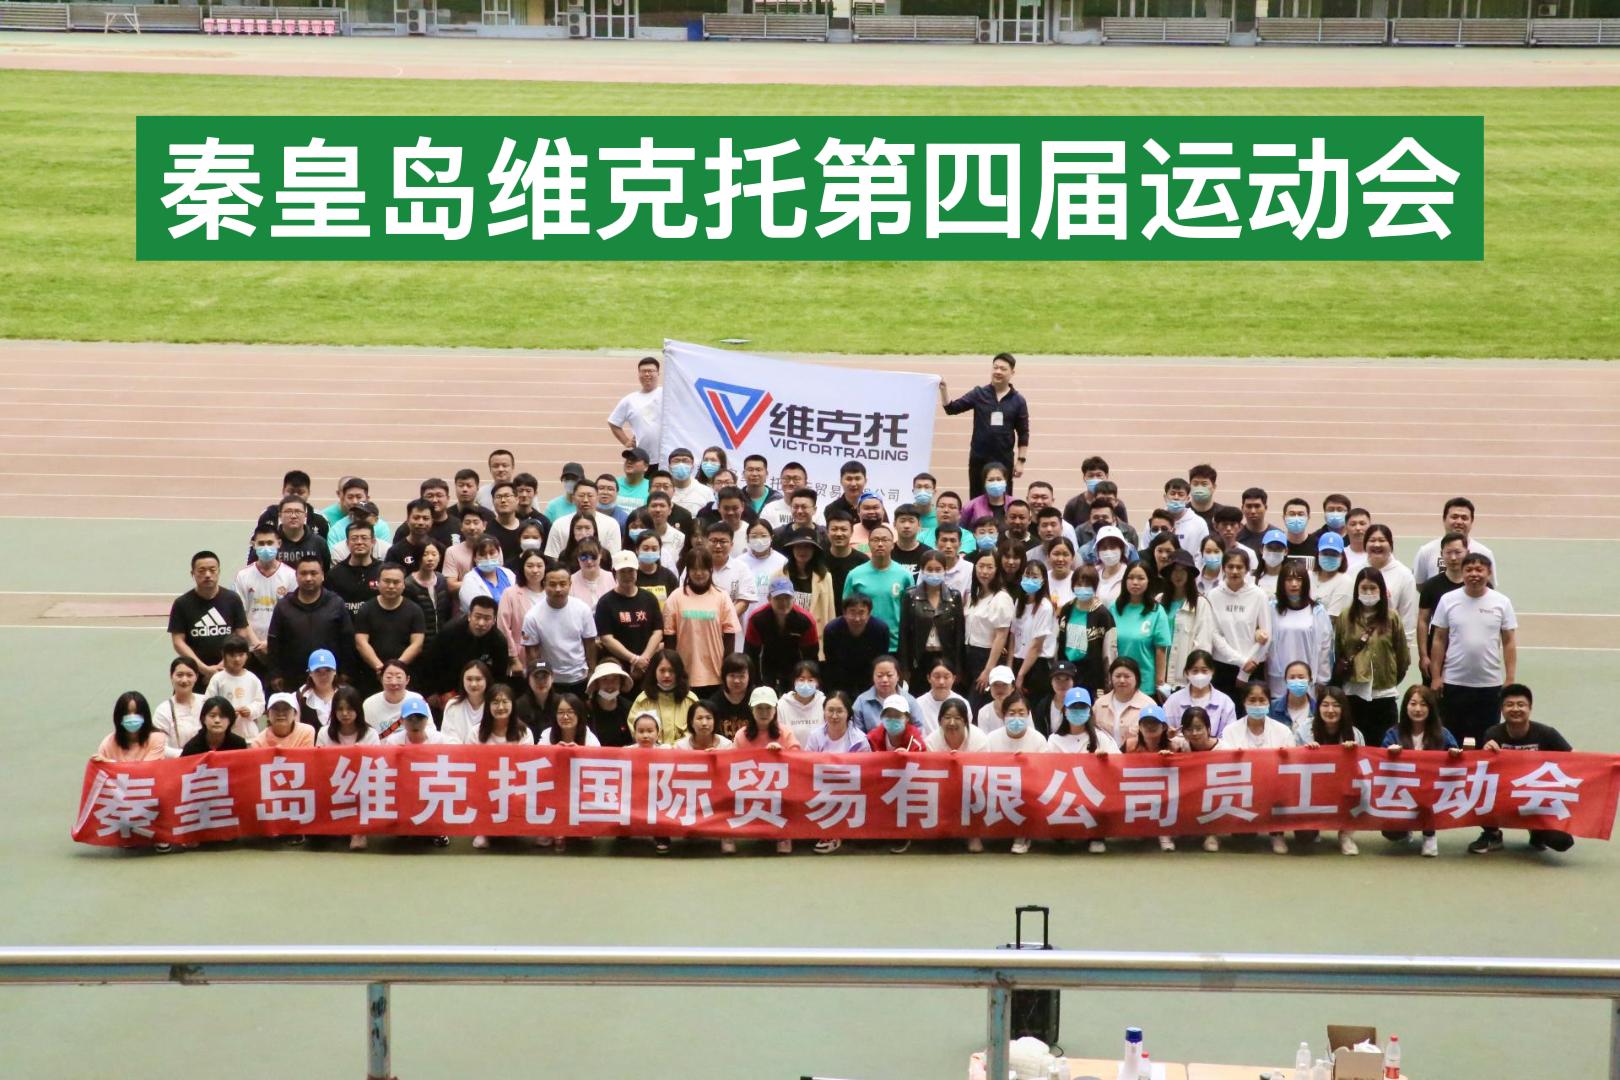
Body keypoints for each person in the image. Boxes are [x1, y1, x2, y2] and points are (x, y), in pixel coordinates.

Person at [1472, 684, 1575, 855]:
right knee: (1478, 788)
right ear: (1502, 710)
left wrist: (1608, 765)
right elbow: (1483, 769)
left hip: (1538, 798)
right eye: (1509, 704)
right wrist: (1485, 751)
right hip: (1504, 794)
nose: (1515, 709)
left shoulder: (1547, 733)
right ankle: (1492, 834)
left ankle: (1537, 831)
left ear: (1530, 708)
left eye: (1521, 704)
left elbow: (1576, 758)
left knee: (1562, 841)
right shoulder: (1493, 733)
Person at [1430, 552, 1518, 748]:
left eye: (1479, 569)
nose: (1474, 574)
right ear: (1462, 572)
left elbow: (1509, 641)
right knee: (1451, 739)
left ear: (1489, 573)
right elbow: (1439, 639)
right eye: (1469, 569)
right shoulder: (1448, 599)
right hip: (1453, 682)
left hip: (1489, 685)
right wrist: (1436, 676)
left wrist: (1510, 678)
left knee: (1486, 739)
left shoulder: (1502, 602)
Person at [1216, 683, 1298, 855]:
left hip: (1274, 786)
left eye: (1262, 700)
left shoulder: (1283, 731)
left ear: (1269, 702)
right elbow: (1225, 763)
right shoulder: (1230, 730)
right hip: (1242, 787)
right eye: (1252, 700)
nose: (1257, 704)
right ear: (1244, 702)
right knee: (1243, 838)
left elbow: (1292, 764)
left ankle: (1277, 833)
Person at [1381, 685, 1463, 857]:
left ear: (1431, 708)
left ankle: (1429, 834)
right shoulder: (1394, 733)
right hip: (1403, 789)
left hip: (1432, 789)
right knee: (1391, 831)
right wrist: (1389, 753)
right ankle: (1407, 827)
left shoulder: (1442, 733)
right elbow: (1379, 760)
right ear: (1405, 706)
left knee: (1428, 799)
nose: (1418, 709)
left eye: (1423, 704)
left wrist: (1453, 754)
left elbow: (1457, 757)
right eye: (1413, 703)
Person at [1335, 567, 1410, 746]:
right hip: (1354, 692)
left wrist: (1390, 677)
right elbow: (1339, 650)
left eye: (1373, 588)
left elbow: (1402, 657)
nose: (1368, 592)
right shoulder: (1345, 616)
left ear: (1381, 590)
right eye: (1364, 588)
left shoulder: (1392, 618)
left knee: (1384, 745)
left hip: (1384, 694)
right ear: (1357, 590)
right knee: (1354, 744)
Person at [940, 352, 1030, 499]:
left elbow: (1023, 433)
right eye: (995, 367)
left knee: (1003, 498)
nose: (998, 371)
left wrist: (1021, 461)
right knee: (977, 498)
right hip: (979, 458)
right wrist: (943, 389)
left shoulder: (1018, 401)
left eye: (1003, 369)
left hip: (1004, 459)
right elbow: (951, 409)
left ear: (1012, 372)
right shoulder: (979, 394)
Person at [1290, 686, 1362, 856]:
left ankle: (1346, 834)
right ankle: (1314, 827)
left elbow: (1364, 771)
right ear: (1318, 707)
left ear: (1343, 709)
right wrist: (1305, 753)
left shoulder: (1355, 734)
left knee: (1361, 789)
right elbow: (1292, 766)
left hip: (1342, 788)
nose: (1330, 710)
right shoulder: (1304, 731)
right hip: (1311, 789)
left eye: (1336, 705)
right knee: (1304, 837)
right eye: (1325, 705)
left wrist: (1352, 755)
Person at [265, 555, 352, 692]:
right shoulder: (283, 606)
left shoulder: (336, 603)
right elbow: (274, 642)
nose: (308, 578)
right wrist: (275, 674)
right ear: (296, 576)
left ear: (322, 576)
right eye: (303, 573)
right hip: (292, 678)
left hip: (328, 677)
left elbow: (347, 640)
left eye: (313, 573)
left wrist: (345, 672)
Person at [662, 549, 741, 699]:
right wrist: (673, 669)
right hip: (685, 673)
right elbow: (669, 638)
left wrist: (727, 669)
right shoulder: (675, 597)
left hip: (715, 673)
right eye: (694, 569)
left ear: (710, 569)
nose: (699, 573)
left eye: (703, 569)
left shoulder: (722, 597)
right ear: (688, 570)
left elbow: (730, 635)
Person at [518, 561, 598, 698]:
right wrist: (538, 679)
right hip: (550, 681)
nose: (558, 589)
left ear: (570, 584)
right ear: (544, 585)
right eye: (552, 584)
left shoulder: (583, 609)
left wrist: (592, 672)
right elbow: (532, 653)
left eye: (562, 584)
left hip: (580, 677)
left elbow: (590, 643)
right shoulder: (532, 616)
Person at [169, 550, 250, 683]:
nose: (207, 575)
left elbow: (242, 634)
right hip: (195, 675)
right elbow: (178, 641)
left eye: (212, 570)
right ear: (192, 573)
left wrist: (222, 666)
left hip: (229, 671)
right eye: (201, 571)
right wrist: (203, 669)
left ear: (219, 572)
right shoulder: (182, 603)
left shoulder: (233, 599)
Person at [982, 692, 1046, 854]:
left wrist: (1027, 764)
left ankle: (1022, 835)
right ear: (1003, 715)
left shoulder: (1038, 739)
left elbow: (1045, 772)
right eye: (1011, 713)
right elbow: (983, 768)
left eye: (1021, 713)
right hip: (997, 789)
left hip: (1028, 791)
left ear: (1028, 715)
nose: (1016, 717)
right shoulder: (991, 738)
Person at [351, 561, 427, 695]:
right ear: (378, 583)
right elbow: (361, 643)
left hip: (405, 676)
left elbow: (417, 644)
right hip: (372, 676)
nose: (391, 586)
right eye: (387, 581)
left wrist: (395, 670)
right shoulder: (366, 609)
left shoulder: (415, 610)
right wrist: (381, 668)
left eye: (396, 582)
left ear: (403, 584)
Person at [896, 551, 965, 692]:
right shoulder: (910, 596)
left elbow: (959, 635)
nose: (934, 573)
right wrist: (904, 667)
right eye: (930, 569)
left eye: (938, 569)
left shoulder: (954, 597)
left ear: (945, 570)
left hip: (945, 658)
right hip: (919, 659)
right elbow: (904, 634)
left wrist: (958, 666)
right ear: (922, 570)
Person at [421, 596, 511, 700]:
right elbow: (432, 664)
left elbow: (499, 676)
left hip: (483, 691)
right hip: (449, 687)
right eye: (477, 617)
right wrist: (437, 692)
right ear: (469, 616)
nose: (481, 623)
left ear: (494, 620)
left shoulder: (499, 641)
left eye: (487, 618)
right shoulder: (449, 632)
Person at [1207, 549, 1269, 700]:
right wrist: (1240, 661)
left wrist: (1244, 673)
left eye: (1239, 567)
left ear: (1247, 569)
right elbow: (1214, 634)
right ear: (1223, 568)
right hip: (1223, 667)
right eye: (1230, 566)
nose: (1234, 571)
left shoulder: (1258, 595)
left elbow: (1267, 635)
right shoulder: (1213, 595)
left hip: (1253, 666)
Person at [1265, 563, 1333, 699]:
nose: (1294, 584)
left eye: (1299, 580)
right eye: (1289, 580)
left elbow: (1325, 647)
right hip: (1278, 679)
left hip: (1308, 680)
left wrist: (1322, 679)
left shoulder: (1317, 611)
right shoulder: (1271, 609)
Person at [841, 525, 913, 652]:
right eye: (875, 540)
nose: (880, 544)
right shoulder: (855, 575)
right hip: (863, 643)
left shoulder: (904, 575)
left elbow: (910, 612)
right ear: (868, 544)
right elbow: (846, 610)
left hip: (895, 644)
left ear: (893, 545)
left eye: (885, 540)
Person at [744, 577, 820, 691]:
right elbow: (750, 654)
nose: (783, 603)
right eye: (778, 598)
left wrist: (807, 684)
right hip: (767, 665)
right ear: (769, 598)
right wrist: (756, 685)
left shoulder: (806, 621)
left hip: (795, 666)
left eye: (787, 598)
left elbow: (811, 657)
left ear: (794, 598)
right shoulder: (756, 619)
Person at [1111, 562, 1172, 698]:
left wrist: (1159, 682)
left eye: (1141, 578)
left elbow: (1161, 650)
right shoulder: (1114, 608)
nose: (1135, 582)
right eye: (1131, 578)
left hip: (1145, 685)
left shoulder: (1157, 611)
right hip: (1118, 682)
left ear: (1149, 581)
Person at [236, 529, 297, 665]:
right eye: (261, 543)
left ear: (279, 543)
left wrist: (271, 643)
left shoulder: (291, 576)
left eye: (270, 543)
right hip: (251, 649)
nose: (265, 547)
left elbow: (293, 615)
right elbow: (240, 615)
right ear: (254, 545)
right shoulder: (243, 576)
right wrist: (256, 644)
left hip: (282, 647)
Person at [1053, 565, 1115, 698]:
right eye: (1079, 584)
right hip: (1067, 672)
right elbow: (1058, 642)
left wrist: (1109, 681)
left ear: (1095, 586)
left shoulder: (1103, 614)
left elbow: (1109, 652)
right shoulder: (1067, 609)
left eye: (1087, 585)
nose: (1083, 588)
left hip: (1092, 676)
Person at [1416, 531, 1470, 684]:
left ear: (1467, 553)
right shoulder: (1431, 586)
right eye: (1448, 552)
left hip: (1466, 654)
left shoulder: (1479, 586)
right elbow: (1423, 621)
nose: (1453, 558)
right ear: (1441, 554)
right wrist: (1424, 656)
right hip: (1437, 651)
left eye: (1458, 552)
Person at [820, 591, 890, 700]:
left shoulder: (881, 629)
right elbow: (831, 662)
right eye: (852, 612)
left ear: (869, 613)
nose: (857, 618)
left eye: (861, 613)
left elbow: (881, 660)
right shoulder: (832, 629)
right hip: (840, 676)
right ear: (844, 613)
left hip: (870, 677)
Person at [1413, 496, 1496, 587]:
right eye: (1454, 517)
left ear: (1471, 521)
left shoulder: (1484, 553)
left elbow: (1490, 586)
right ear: (1444, 519)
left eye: (1464, 518)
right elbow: (1420, 585)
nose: (1459, 522)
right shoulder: (1426, 551)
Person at [963, 552, 1014, 701]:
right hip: (969, 655)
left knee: (977, 702)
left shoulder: (1001, 598)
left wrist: (988, 670)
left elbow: (1001, 636)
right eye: (981, 566)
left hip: (986, 656)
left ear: (997, 570)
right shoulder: (974, 595)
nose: (984, 571)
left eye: (990, 567)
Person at [627, 649, 700, 745]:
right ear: (654, 672)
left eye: (671, 671)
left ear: (679, 672)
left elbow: (697, 730)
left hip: (683, 751)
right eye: (662, 670)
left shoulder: (691, 700)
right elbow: (634, 729)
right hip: (651, 751)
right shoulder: (643, 700)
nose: (667, 675)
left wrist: (676, 747)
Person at [1009, 560, 1057, 703]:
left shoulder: (1045, 607)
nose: (1030, 579)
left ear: (1043, 580)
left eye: (1035, 576)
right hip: (1018, 660)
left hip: (1036, 665)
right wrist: (1009, 666)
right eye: (1027, 575)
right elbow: (1013, 635)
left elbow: (1036, 646)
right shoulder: (1019, 602)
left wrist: (1021, 675)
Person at [1162, 650, 1237, 740]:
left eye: (1204, 671)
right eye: (1195, 671)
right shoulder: (1173, 701)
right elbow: (1165, 731)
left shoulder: (1225, 702)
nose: (1200, 675)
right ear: (1187, 672)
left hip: (1216, 748)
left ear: (1212, 671)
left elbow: (1230, 736)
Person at [1363, 524, 1418, 648]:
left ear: (1391, 545)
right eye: (1372, 540)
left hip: (1388, 645)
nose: (1377, 545)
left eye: (1382, 540)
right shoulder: (1354, 570)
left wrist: (1405, 647)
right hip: (1357, 644)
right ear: (1365, 544)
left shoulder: (1404, 575)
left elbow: (1407, 615)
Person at [204, 636, 264, 739]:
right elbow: (208, 703)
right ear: (224, 656)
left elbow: (260, 703)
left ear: (247, 655)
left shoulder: (253, 679)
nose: (237, 659)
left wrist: (250, 710)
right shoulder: (218, 679)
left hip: (248, 733)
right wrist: (226, 712)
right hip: (223, 734)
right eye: (232, 655)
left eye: (241, 655)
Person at [607, 355, 664, 462]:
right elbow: (613, 422)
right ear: (639, 374)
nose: (647, 374)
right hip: (642, 458)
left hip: (666, 457)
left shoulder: (667, 394)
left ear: (658, 373)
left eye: (651, 371)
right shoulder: (630, 400)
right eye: (643, 371)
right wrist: (626, 441)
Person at [781, 531, 837, 636]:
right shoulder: (779, 575)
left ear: (814, 550)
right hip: (785, 634)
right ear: (792, 549)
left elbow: (830, 611)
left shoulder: (825, 577)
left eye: (807, 547)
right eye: (798, 546)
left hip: (815, 635)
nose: (802, 551)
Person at [1094, 657, 1157, 750]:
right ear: (1111, 677)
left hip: (1136, 755)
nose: (1122, 680)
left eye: (1127, 676)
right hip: (1104, 755)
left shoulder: (1148, 705)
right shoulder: (1100, 703)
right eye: (1117, 676)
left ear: (1137, 678)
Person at [851, 654, 924, 733]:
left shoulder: (909, 700)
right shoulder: (862, 702)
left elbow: (919, 728)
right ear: (873, 677)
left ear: (898, 676)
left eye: (889, 675)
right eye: (879, 676)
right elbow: (856, 732)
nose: (885, 680)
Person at [151, 657, 203, 759]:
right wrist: (186, 755)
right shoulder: (163, 710)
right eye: (179, 675)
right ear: (171, 677)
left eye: (189, 675)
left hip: (207, 762)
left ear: (196, 677)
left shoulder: (206, 701)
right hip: (177, 763)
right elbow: (159, 746)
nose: (184, 680)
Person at [403, 541, 451, 647]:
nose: (430, 558)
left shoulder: (441, 579)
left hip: (442, 640)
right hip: (419, 643)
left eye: (434, 554)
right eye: (425, 554)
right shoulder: (409, 584)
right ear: (418, 557)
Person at [97, 691, 166, 763]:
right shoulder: (108, 744)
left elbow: (146, 768)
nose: (132, 717)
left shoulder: (156, 739)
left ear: (145, 716)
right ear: (118, 717)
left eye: (137, 713)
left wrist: (110, 763)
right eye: (126, 713)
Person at [1047, 687, 1121, 755]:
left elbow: (1118, 761)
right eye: (1073, 707)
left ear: (1089, 711)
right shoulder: (1054, 740)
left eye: (1082, 707)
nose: (1078, 711)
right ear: (1065, 710)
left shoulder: (1101, 738)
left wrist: (1105, 760)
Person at [440, 660, 492, 745]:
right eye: (469, 679)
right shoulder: (452, 705)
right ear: (463, 680)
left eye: (478, 679)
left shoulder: (494, 705)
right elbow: (448, 738)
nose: (473, 684)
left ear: (487, 680)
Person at [773, 660, 826, 745]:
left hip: (818, 753)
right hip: (790, 752)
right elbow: (777, 735)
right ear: (794, 681)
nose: (806, 684)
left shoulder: (824, 703)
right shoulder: (782, 705)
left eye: (810, 680)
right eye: (801, 679)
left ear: (818, 683)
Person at [914, 658, 970, 735]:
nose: (941, 682)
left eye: (946, 677)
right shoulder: (918, 704)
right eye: (937, 677)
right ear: (929, 678)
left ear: (953, 679)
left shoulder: (963, 703)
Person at [180, 696, 251, 757]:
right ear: (203, 719)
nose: (217, 720)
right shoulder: (192, 748)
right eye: (212, 716)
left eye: (222, 716)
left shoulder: (239, 745)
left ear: (230, 720)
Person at [362, 659, 414, 741]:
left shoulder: (417, 700)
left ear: (407, 679)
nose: (394, 682)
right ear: (381, 679)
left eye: (399, 677)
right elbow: (365, 736)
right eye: (389, 677)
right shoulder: (369, 704)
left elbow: (429, 731)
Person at [1161, 477, 1210, 554]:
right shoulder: (1155, 521)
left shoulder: (1199, 523)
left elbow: (1204, 551)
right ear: (1165, 497)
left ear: (1187, 499)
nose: (1176, 497)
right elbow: (1146, 549)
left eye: (1181, 494)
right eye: (1172, 493)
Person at [960, 462, 1014, 532]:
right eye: (991, 480)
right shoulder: (971, 506)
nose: (995, 483)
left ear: (1005, 481)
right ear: (984, 483)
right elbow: (961, 531)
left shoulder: (1015, 503)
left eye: (999, 479)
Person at [1268, 660, 1317, 735]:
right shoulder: (1271, 708)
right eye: (1292, 677)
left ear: (1310, 680)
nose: (1296, 681)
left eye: (1301, 677)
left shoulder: (1318, 709)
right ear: (1286, 680)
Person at [1311, 532, 1353, 617]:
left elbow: (1333, 616)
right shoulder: (1308, 576)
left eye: (1334, 554)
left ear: (1342, 557)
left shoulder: (1345, 581)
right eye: (1325, 553)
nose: (1329, 557)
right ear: (1318, 554)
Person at [514, 660, 557, 736]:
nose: (541, 681)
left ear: (552, 678)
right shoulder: (519, 705)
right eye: (536, 677)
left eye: (545, 676)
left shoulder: (561, 703)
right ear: (528, 679)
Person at [1091, 526, 1131, 607]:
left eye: (1113, 547)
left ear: (1121, 549)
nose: (1108, 551)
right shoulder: (1093, 573)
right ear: (1098, 551)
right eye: (1104, 548)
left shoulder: (1129, 574)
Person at [975, 665, 1017, 732]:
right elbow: (984, 738)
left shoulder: (1022, 709)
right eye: (995, 684)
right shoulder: (984, 712)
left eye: (1004, 684)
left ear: (1013, 687)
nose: (1000, 689)